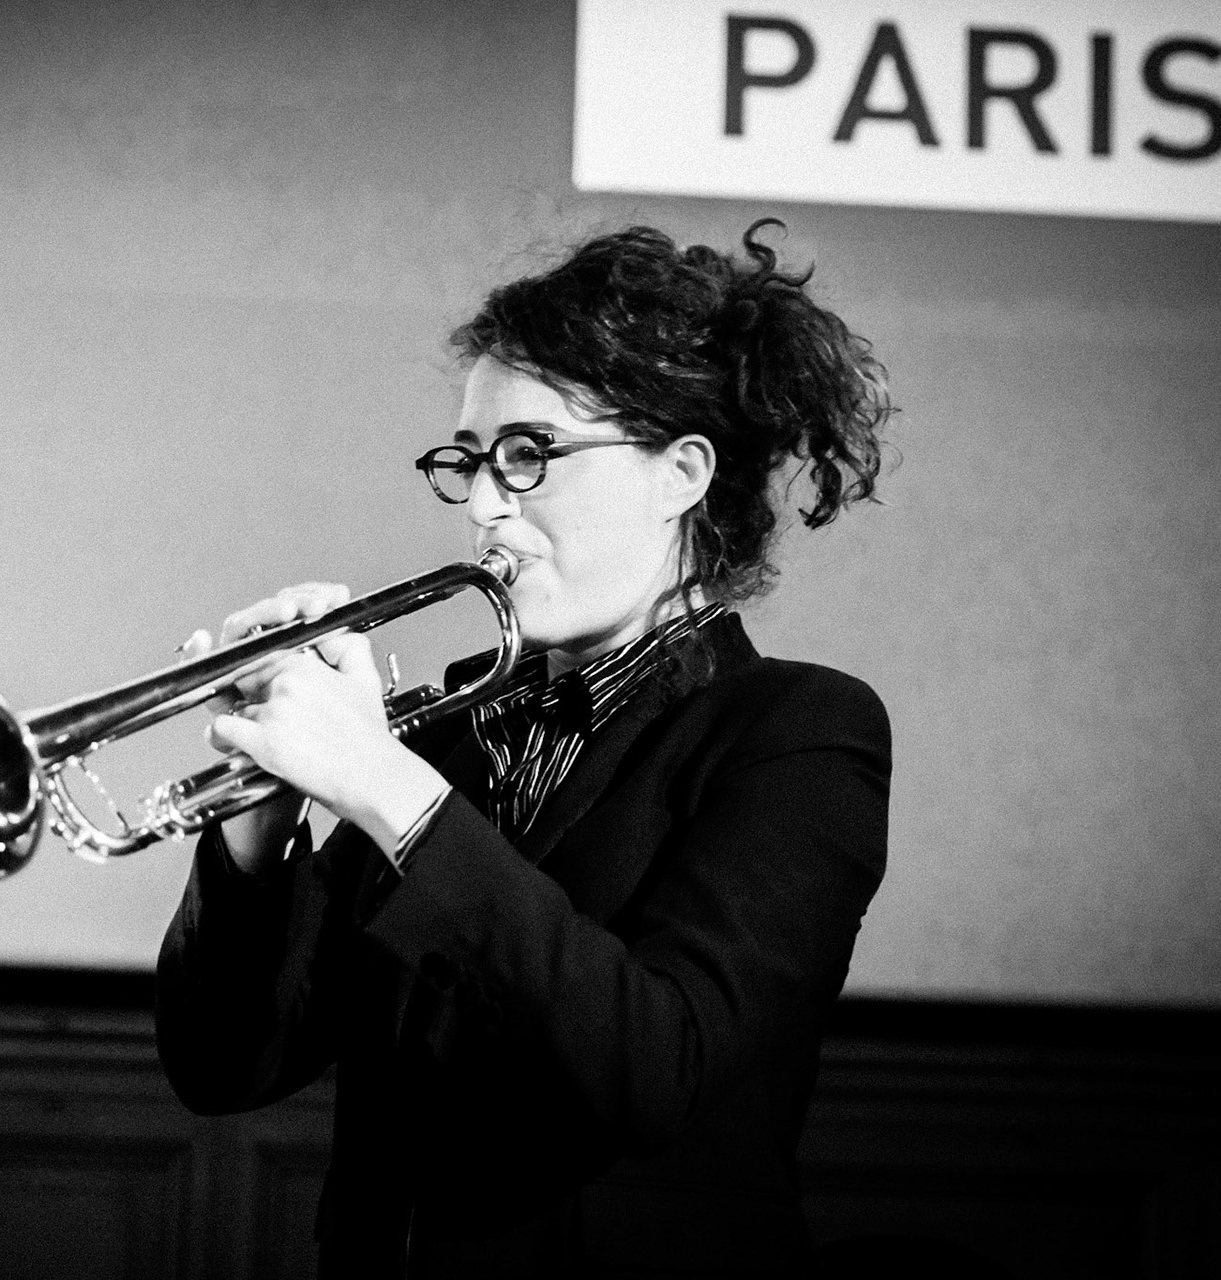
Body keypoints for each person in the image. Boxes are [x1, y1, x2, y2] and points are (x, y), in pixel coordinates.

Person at [155, 220, 894, 1278]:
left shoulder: (797, 733)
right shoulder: (447, 737)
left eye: (531, 455)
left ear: (680, 470)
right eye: (472, 462)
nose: (489, 504)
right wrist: (257, 825)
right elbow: (225, 1065)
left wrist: (382, 784)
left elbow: (654, 1064)